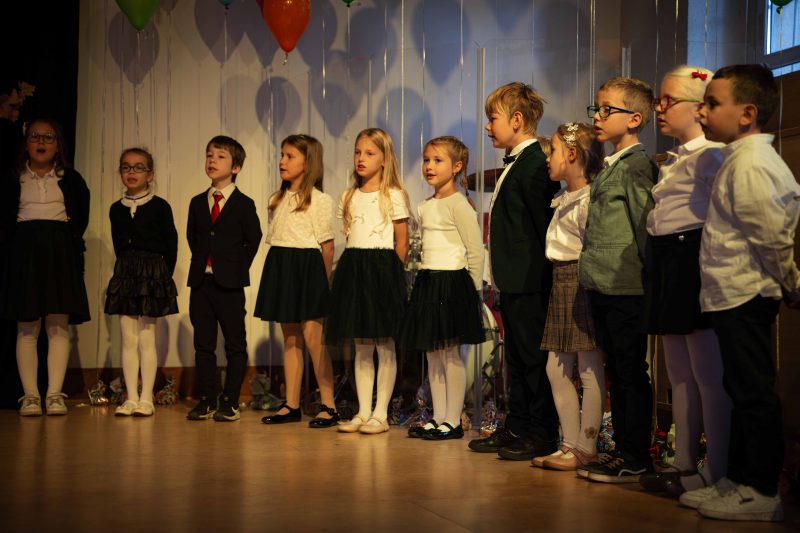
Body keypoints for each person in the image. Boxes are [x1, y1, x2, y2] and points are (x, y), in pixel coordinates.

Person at [681, 64, 800, 523]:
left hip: (748, 292)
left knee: (753, 392)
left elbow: (770, 235)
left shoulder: (752, 163)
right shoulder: (738, 158)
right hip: (730, 294)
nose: (702, 112)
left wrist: (791, 281)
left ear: (747, 113)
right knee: (738, 388)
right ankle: (738, 478)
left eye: (712, 104)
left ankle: (761, 489)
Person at [638, 65, 731, 496]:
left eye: (667, 100)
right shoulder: (677, 159)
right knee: (677, 371)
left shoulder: (713, 155)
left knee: (707, 372)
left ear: (699, 108)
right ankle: (683, 462)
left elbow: (723, 215)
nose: (660, 108)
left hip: (693, 257)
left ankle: (718, 469)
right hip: (667, 257)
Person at [467, 82, 561, 460]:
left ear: (517, 120)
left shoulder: (536, 164)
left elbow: (542, 227)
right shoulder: (517, 162)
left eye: (493, 119)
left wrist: (543, 279)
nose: (487, 126)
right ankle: (517, 425)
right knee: (517, 360)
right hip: (513, 280)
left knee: (533, 359)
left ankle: (541, 433)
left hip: (530, 280)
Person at [577, 77, 658, 482]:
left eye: (607, 109)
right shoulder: (613, 165)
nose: (597, 116)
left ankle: (636, 454)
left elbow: (645, 227)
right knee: (618, 371)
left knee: (630, 371)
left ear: (635, 119)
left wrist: (651, 284)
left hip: (626, 286)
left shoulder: (637, 166)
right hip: (605, 284)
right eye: (596, 108)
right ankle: (623, 449)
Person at [1, 117, 90, 416]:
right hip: (23, 255)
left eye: (48, 137)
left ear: (58, 145)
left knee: (57, 324)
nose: (41, 142)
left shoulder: (71, 179)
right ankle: (30, 396)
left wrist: (66, 241)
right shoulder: (13, 178)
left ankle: (53, 395)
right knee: (26, 326)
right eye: (35, 136)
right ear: (26, 143)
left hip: (59, 253)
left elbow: (81, 216)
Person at [398, 136, 483, 440]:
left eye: (437, 160)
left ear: (456, 166)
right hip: (429, 281)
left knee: (450, 354)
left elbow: (475, 251)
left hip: (452, 284)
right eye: (426, 160)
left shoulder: (459, 204)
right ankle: (438, 416)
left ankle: (454, 419)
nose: (429, 166)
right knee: (433, 354)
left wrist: (471, 292)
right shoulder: (424, 206)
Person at [327, 128, 410, 435]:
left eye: (370, 153)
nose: (361, 158)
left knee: (384, 344)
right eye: (357, 152)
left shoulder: (393, 196)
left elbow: (402, 242)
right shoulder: (348, 196)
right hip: (355, 270)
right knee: (361, 345)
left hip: (382, 271)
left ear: (384, 159)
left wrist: (391, 276)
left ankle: (381, 414)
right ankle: (363, 411)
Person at [534, 122, 605, 470]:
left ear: (572, 154)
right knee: (555, 367)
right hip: (560, 280)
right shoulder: (564, 197)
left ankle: (586, 446)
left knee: (589, 367)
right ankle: (569, 442)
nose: (548, 157)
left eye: (554, 151)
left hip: (581, 281)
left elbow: (592, 246)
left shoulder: (589, 199)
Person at [256, 134, 339, 428]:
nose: (282, 161)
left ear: (308, 162)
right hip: (282, 265)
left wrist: (322, 284)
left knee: (314, 339)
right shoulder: (276, 199)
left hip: (308, 268)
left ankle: (329, 405)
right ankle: (291, 404)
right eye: (282, 155)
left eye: (290, 156)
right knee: (290, 338)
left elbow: (327, 246)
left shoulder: (320, 200)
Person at [185, 135, 261, 422]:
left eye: (220, 157)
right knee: (203, 344)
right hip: (201, 283)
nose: (212, 161)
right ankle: (207, 399)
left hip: (230, 285)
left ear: (235, 167)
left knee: (234, 344)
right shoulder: (197, 202)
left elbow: (253, 239)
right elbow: (193, 237)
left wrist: (234, 267)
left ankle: (230, 400)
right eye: (209, 155)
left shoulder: (244, 203)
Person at [105, 148, 178, 417]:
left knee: (147, 337)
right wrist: (126, 270)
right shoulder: (116, 209)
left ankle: (147, 397)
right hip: (127, 272)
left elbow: (171, 245)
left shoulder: (160, 207)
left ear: (150, 174)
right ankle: (131, 397)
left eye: (138, 167)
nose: (132, 172)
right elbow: (118, 246)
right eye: (126, 167)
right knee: (128, 338)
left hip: (152, 272)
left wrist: (160, 277)